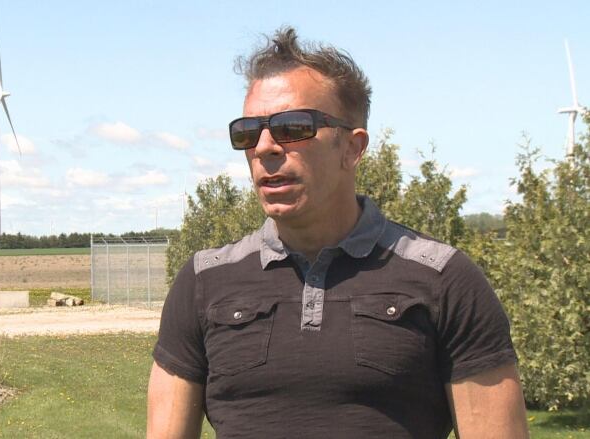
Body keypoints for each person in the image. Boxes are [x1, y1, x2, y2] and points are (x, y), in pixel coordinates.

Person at [147, 27, 529, 439]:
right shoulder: (204, 282)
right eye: (247, 131)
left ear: (353, 147)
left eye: (292, 127)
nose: (264, 147)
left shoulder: (444, 280)